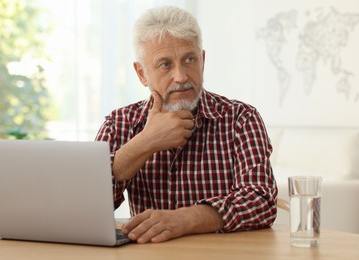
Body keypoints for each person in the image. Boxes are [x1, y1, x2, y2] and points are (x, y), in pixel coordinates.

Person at [95, 5, 277, 244]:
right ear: (141, 73)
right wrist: (145, 142)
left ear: (202, 60)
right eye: (165, 64)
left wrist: (185, 219)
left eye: (189, 59)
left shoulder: (241, 119)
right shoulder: (119, 124)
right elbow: (87, 206)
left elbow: (262, 201)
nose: (180, 76)